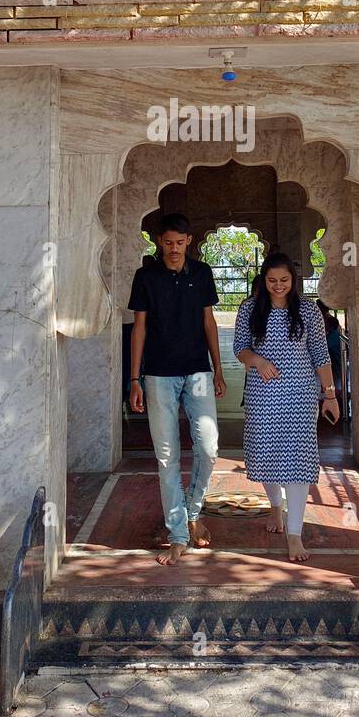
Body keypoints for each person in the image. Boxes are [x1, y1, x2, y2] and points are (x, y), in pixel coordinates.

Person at [128, 214, 226, 565]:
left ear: (189, 241)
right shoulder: (146, 277)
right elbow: (139, 328)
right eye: (167, 242)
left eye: (179, 242)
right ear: (159, 241)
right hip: (157, 375)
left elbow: (208, 321)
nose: (173, 249)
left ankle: (193, 511)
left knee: (209, 447)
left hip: (198, 371)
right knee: (167, 456)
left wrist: (217, 369)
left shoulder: (201, 274)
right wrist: (134, 378)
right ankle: (178, 533)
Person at [234, 253, 339, 563]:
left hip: (300, 394)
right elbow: (239, 347)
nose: (278, 286)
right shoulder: (249, 309)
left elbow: (321, 355)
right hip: (262, 393)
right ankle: (275, 508)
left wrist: (329, 395)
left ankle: (295, 534)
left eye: (284, 281)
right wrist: (257, 361)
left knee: (298, 460)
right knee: (264, 453)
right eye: (271, 281)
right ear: (263, 280)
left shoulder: (308, 311)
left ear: (293, 282)